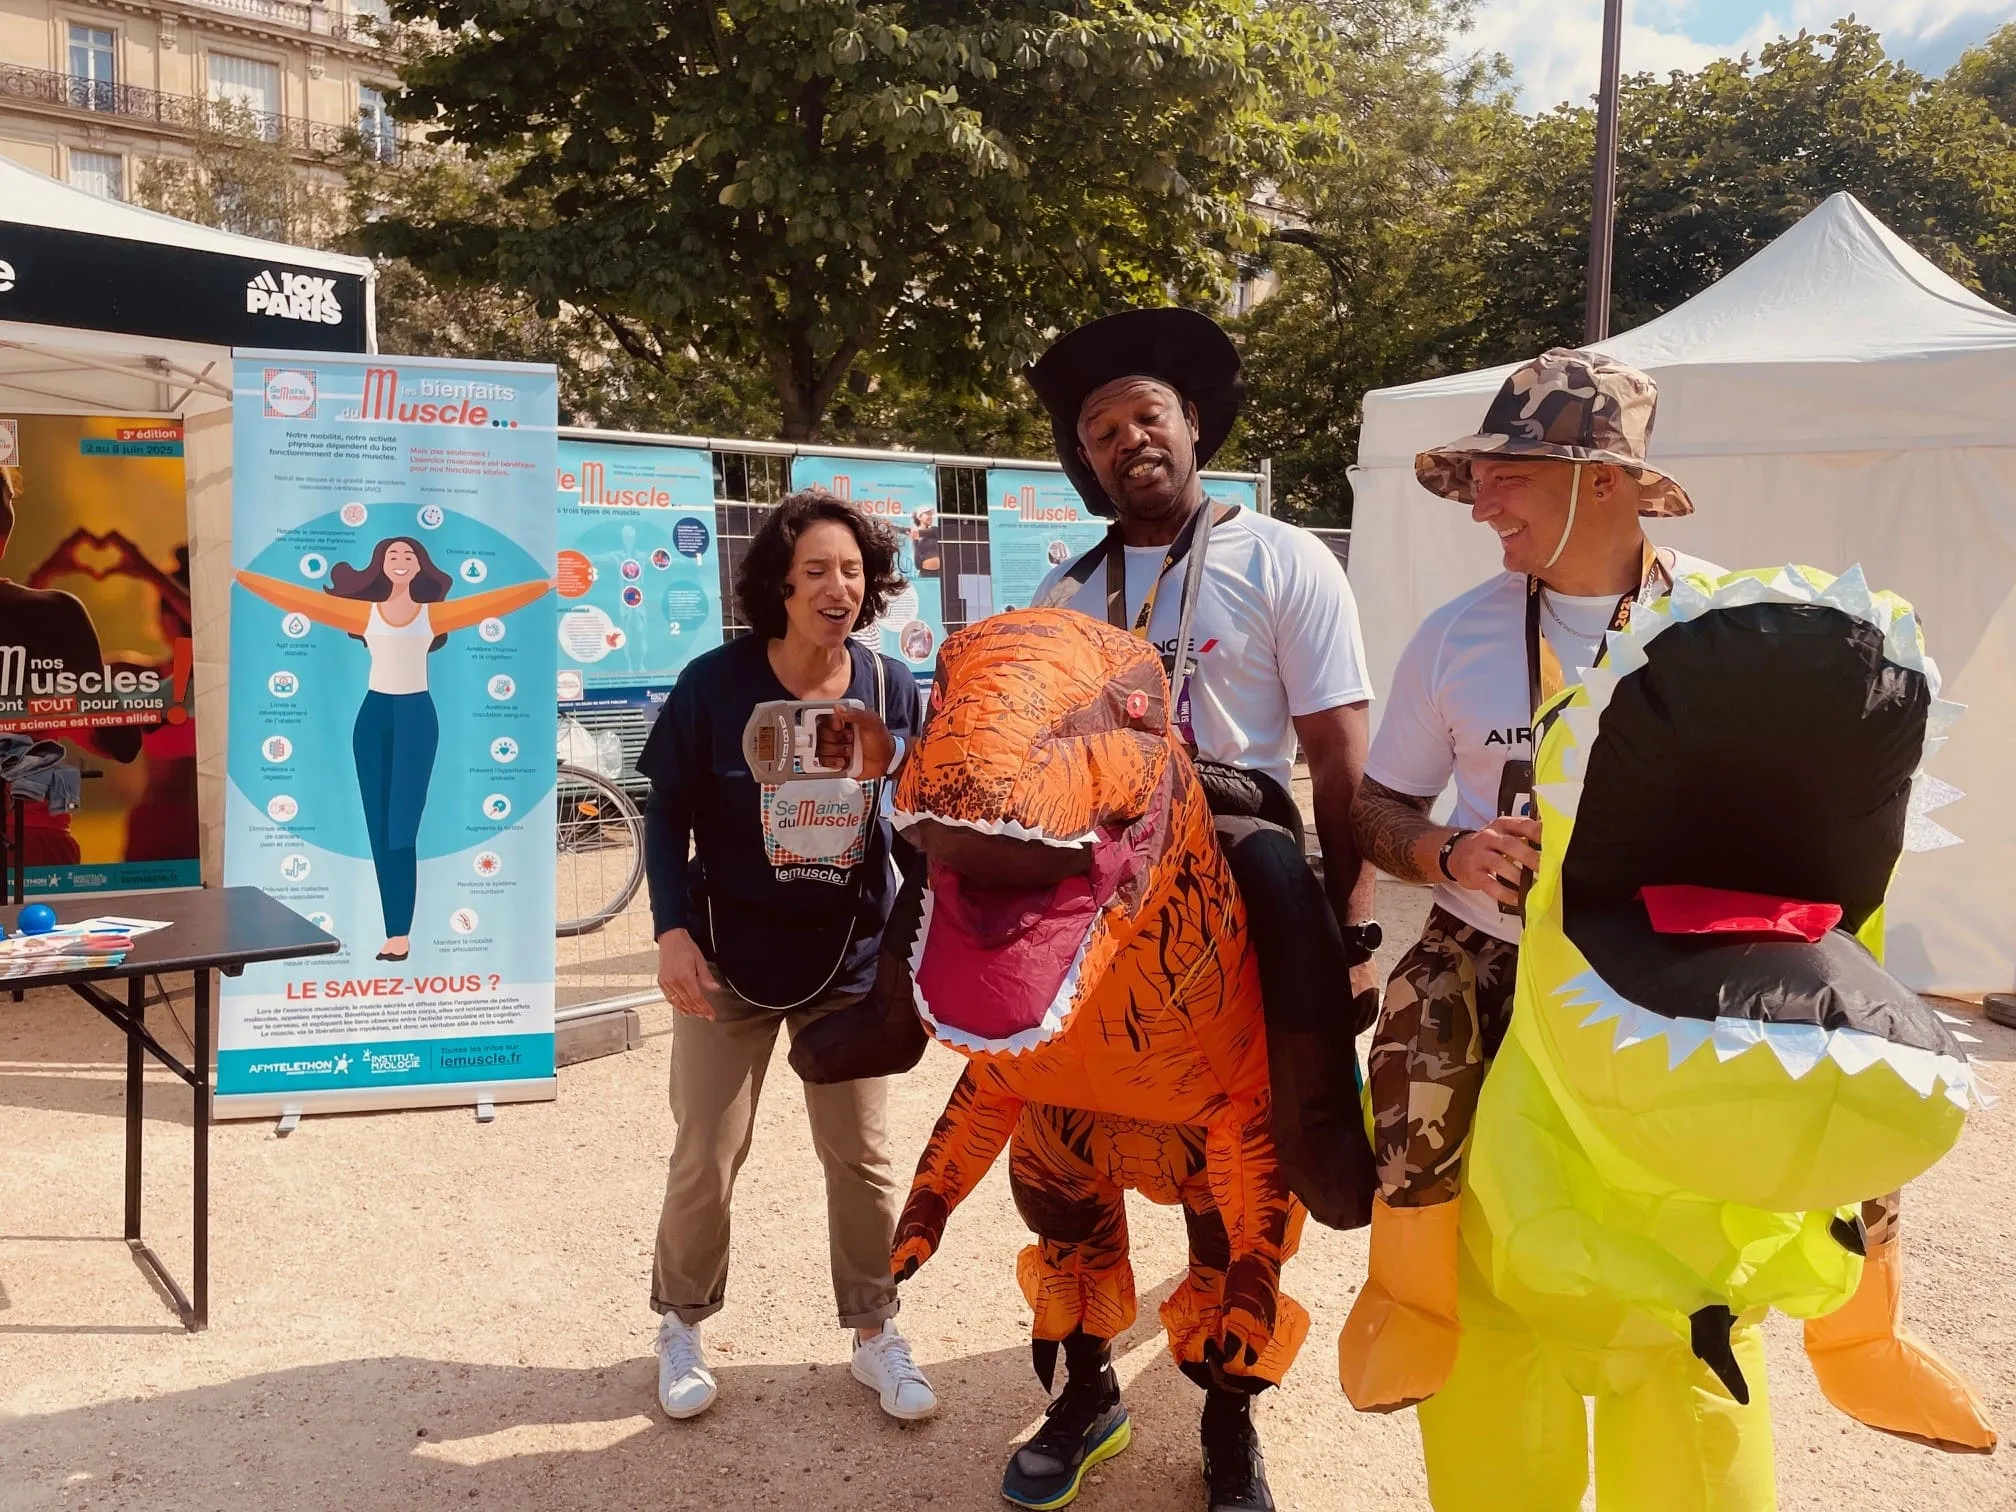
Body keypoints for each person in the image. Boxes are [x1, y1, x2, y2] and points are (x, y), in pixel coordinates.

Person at [1018, 307, 1381, 1511]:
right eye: (1102, 430)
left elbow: (1338, 757)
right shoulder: (1066, 589)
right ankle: (1086, 1389)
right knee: (1060, 1149)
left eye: (1148, 417)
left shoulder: (1284, 560)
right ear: (1086, 458)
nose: (1129, 440)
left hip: (1240, 881)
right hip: (1096, 898)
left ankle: (1229, 1413)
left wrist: (1350, 935)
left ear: (1191, 428)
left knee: (1240, 1173)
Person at [1338, 348, 1724, 1411]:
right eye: (1477, 480)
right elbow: (1376, 809)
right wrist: (1447, 853)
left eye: (1504, 477)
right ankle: (1415, 1306)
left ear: (1601, 480)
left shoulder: (1727, 624)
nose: (1479, 507)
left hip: (1658, 957)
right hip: (1489, 948)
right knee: (1414, 1048)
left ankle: (1848, 1326)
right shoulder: (1454, 635)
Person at [637, 487, 937, 1426]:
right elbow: (666, 813)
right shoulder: (714, 684)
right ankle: (682, 1324)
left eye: (852, 571)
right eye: (816, 571)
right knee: (707, 1150)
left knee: (863, 1159)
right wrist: (671, 930)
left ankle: (876, 1332)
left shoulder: (889, 685)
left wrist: (916, 948)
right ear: (780, 583)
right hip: (727, 961)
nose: (837, 588)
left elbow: (924, 818)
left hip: (848, 963)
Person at [235, 537, 550, 962]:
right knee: (379, 831)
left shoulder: (432, 615)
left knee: (402, 830)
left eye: (408, 555)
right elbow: (299, 600)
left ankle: (399, 931)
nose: (400, 561)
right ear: (381, 564)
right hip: (373, 718)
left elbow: (493, 603)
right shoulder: (363, 613)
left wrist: (544, 585)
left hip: (416, 718)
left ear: (420, 566)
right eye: (392, 555)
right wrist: (243, 578)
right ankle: (395, 934)